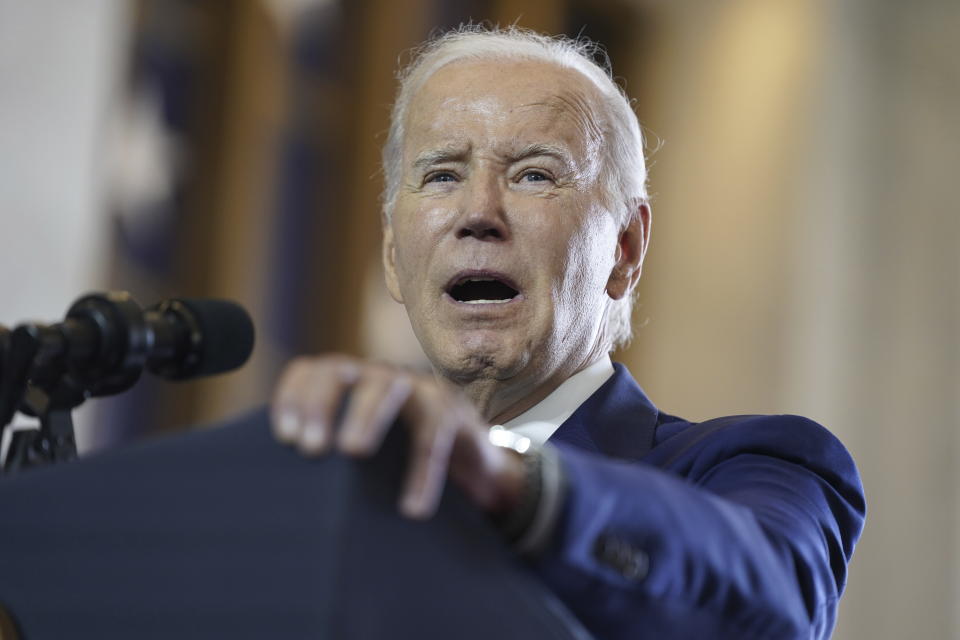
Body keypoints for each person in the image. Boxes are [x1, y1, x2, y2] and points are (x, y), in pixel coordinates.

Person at [270, 26, 865, 639]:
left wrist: (516, 483)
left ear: (625, 249)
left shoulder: (759, 466)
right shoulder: (328, 508)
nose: (478, 214)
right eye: (443, 175)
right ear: (394, 254)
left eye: (533, 175)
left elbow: (774, 609)